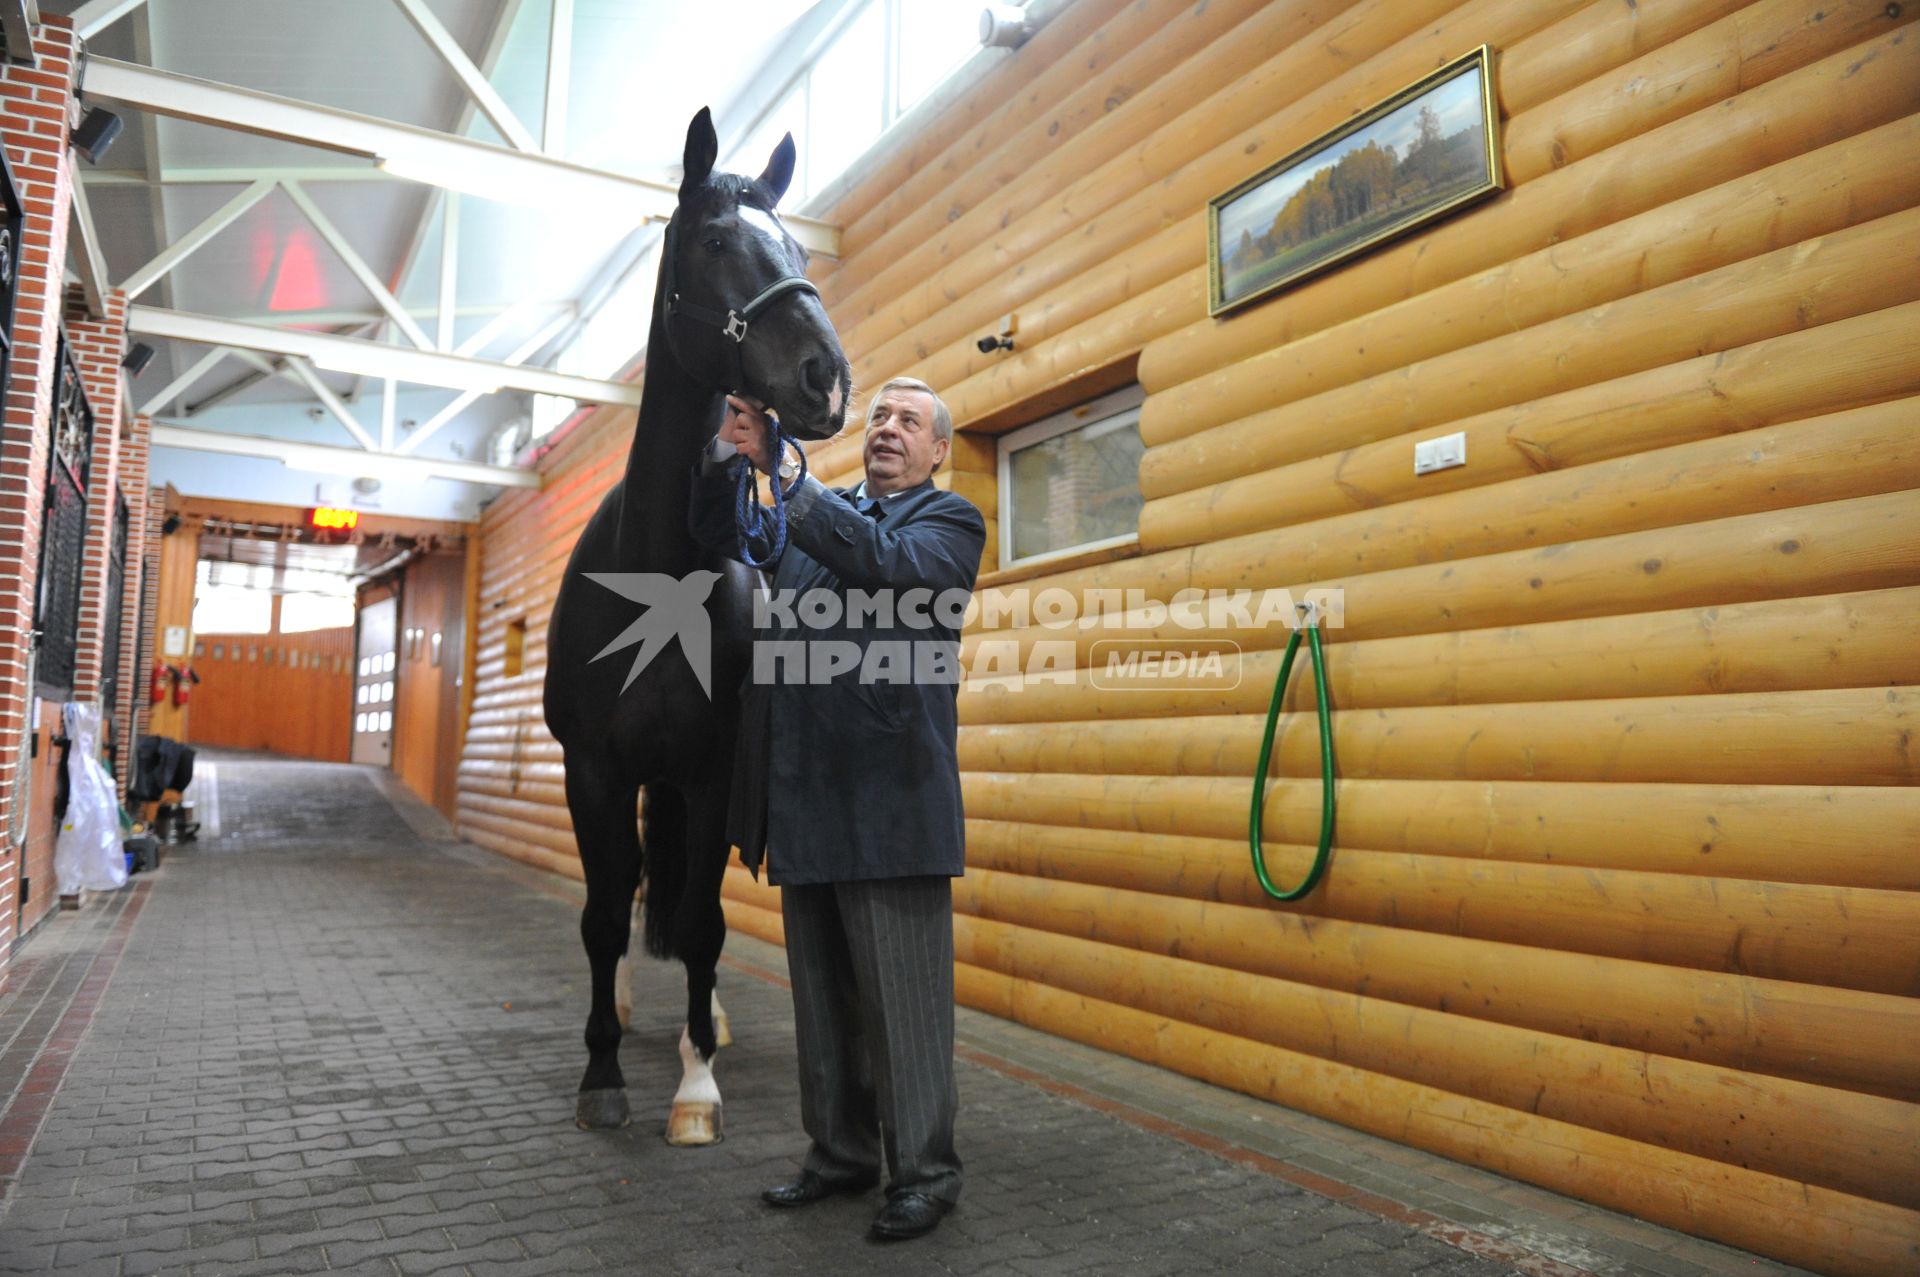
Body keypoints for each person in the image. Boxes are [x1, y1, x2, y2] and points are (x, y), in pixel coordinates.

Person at [687, 376, 986, 1241]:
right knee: (823, 1005)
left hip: (893, 802)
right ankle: (840, 1153)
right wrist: (732, 459)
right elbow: (730, 544)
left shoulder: (946, 525)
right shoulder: (814, 519)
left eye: (910, 421)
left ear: (937, 452)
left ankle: (926, 1171)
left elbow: (884, 566)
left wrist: (790, 471)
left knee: (906, 1009)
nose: (889, 428)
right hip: (808, 794)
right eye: (880, 415)